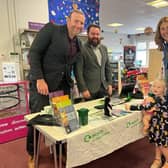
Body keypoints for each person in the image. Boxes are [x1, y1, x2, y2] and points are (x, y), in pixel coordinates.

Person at [27, 10, 85, 168]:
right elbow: (34, 53)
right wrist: (39, 78)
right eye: (76, 21)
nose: (78, 25)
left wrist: (78, 85)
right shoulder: (51, 29)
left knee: (65, 122)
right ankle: (32, 153)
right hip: (42, 86)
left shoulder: (78, 43)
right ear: (68, 20)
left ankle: (61, 150)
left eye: (81, 23)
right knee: (36, 121)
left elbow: (73, 65)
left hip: (63, 87)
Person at [75, 24, 112, 100]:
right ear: (87, 34)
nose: (95, 36)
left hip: (104, 88)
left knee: (105, 110)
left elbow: (108, 68)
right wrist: (83, 89)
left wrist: (110, 84)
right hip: (89, 90)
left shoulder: (104, 48)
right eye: (93, 34)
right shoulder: (81, 49)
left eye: (97, 34)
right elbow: (78, 71)